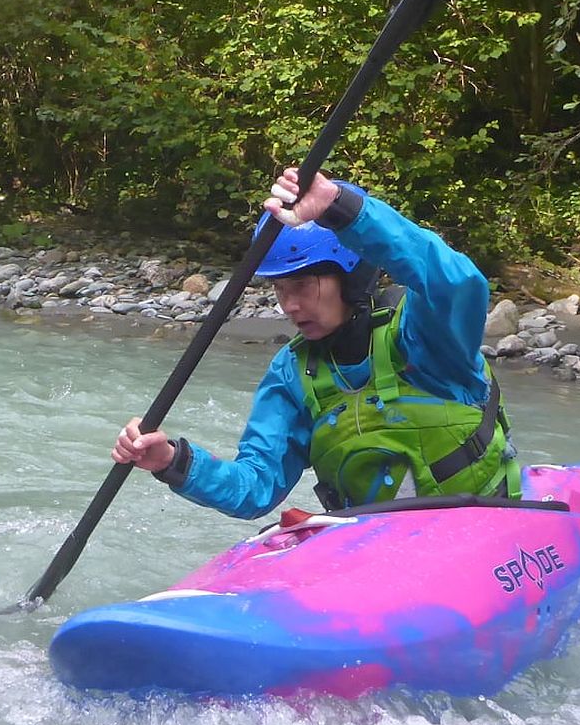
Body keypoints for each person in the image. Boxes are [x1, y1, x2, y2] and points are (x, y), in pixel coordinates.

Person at [112, 167, 519, 518]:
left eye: (304, 285)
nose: (289, 305)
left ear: (351, 275)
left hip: (477, 528)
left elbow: (457, 282)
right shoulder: (293, 373)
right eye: (280, 289)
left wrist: (340, 207)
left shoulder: (424, 334)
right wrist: (171, 459)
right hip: (375, 545)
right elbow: (255, 488)